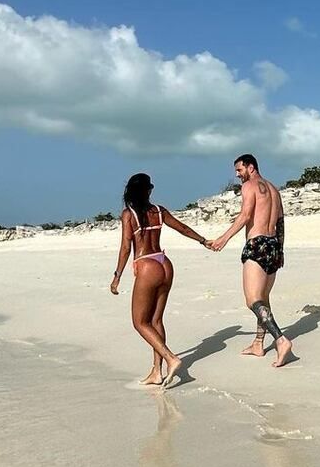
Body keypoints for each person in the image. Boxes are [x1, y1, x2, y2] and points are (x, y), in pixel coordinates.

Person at [110, 171, 212, 388]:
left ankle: (170, 358)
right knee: (156, 320)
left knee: (140, 322)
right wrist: (203, 240)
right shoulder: (159, 210)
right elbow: (182, 228)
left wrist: (117, 276)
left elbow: (126, 247)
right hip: (165, 263)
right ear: (148, 190)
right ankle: (157, 371)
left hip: (147, 265)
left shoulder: (129, 214)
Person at [209, 153, 294, 367]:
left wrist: (223, 238)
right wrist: (281, 250)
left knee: (252, 300)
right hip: (274, 245)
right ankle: (258, 344)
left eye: (239, 170)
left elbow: (246, 216)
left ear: (251, 167)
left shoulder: (249, 186)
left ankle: (281, 340)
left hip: (257, 245)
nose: (238, 175)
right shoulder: (274, 189)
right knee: (263, 299)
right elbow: (281, 221)